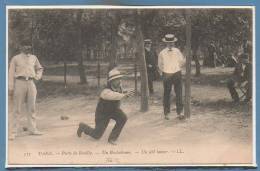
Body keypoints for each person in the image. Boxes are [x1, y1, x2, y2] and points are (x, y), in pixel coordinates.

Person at [77, 68, 135, 145]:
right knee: (96, 135)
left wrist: (126, 92)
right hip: (102, 114)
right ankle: (83, 126)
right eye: (115, 80)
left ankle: (112, 138)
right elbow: (113, 95)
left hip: (114, 110)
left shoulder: (119, 86)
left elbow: (119, 93)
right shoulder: (105, 91)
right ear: (111, 81)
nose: (118, 81)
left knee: (123, 118)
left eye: (119, 79)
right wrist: (124, 95)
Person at [8, 44, 44, 140]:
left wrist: (37, 76)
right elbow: (11, 73)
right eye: (25, 47)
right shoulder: (16, 58)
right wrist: (10, 87)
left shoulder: (33, 57)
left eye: (29, 47)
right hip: (19, 82)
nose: (27, 48)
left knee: (32, 107)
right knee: (17, 109)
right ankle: (13, 132)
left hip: (31, 83)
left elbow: (39, 68)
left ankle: (32, 129)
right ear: (21, 47)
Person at [158, 34, 185, 120]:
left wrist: (177, 68)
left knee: (179, 93)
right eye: (168, 43)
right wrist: (166, 71)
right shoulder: (162, 53)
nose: (170, 44)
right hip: (167, 74)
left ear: (174, 42)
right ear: (166, 43)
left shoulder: (177, 51)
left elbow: (181, 62)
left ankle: (180, 112)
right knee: (167, 93)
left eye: (172, 42)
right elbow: (160, 65)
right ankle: (167, 113)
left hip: (177, 73)